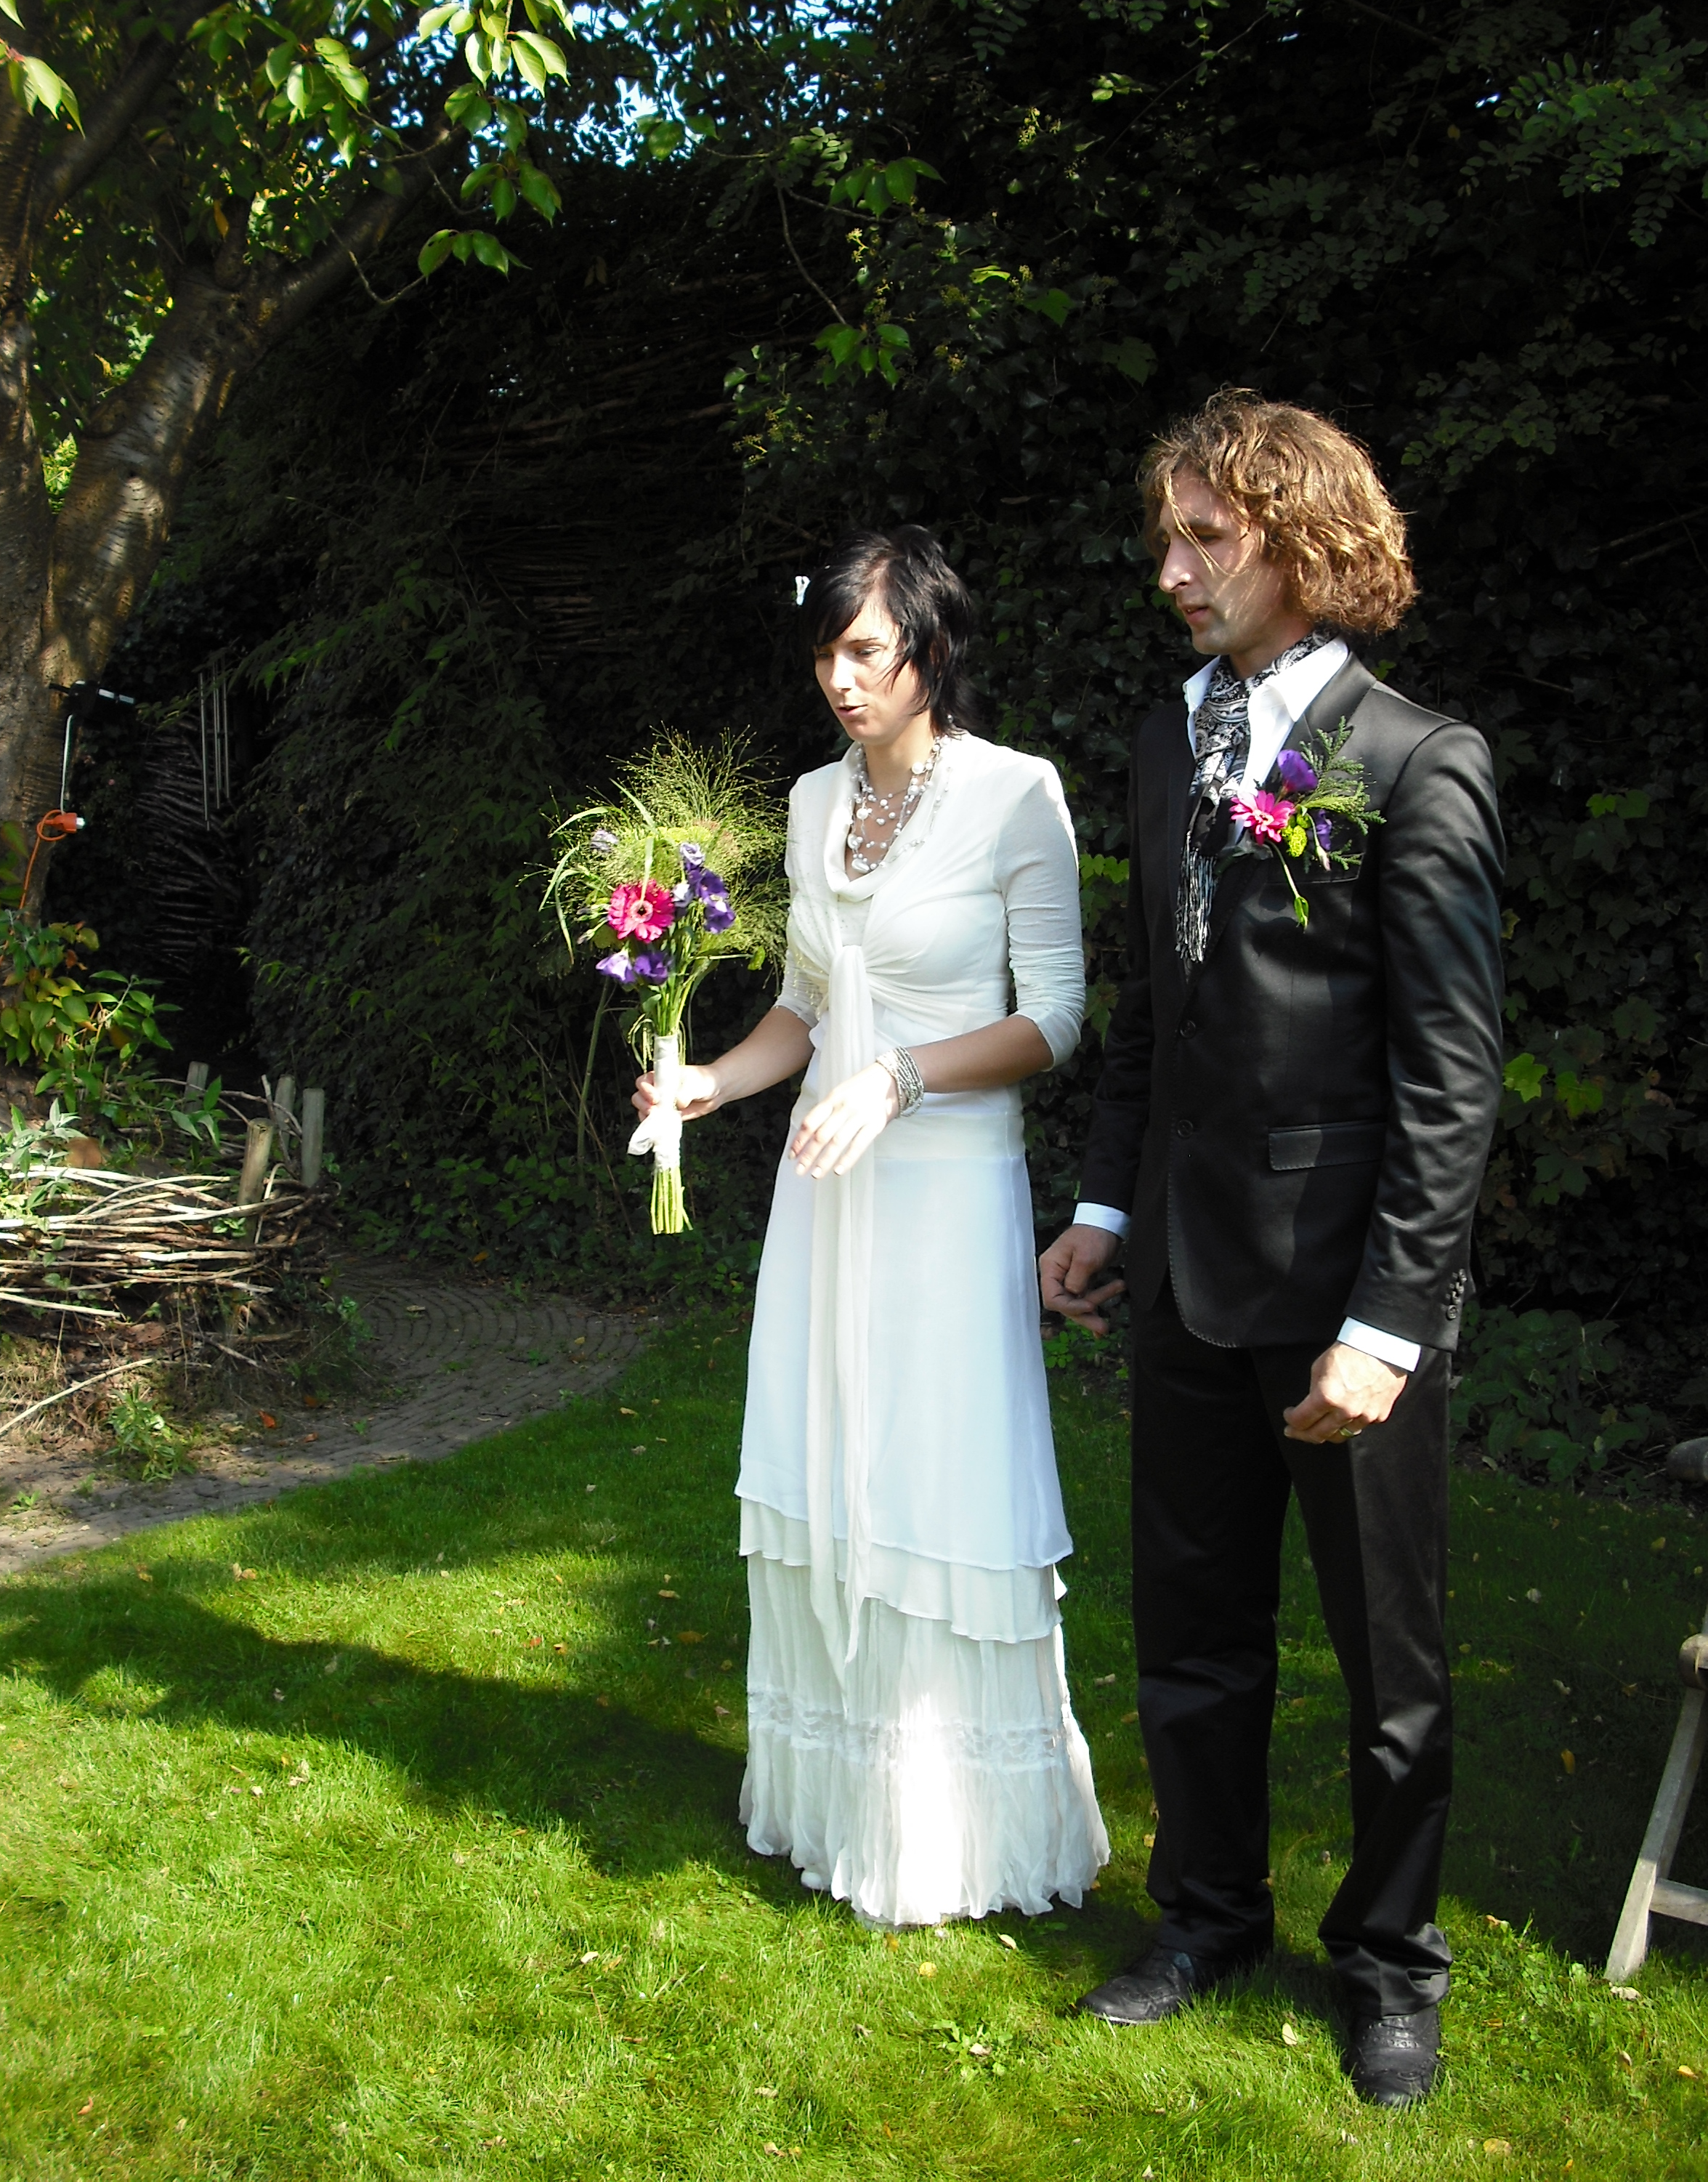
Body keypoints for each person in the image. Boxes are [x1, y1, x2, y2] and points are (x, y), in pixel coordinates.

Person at [1038, 390, 1503, 2107]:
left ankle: (1390, 1967)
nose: (1172, 571)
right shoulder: (1169, 742)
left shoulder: (1416, 761)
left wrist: (1388, 1325)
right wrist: (1103, 1212)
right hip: (1182, 1274)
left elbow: (1449, 1080)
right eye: (1166, 539)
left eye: (1205, 540)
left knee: (1392, 1675)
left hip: (1343, 1305)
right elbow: (1154, 1017)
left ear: (1302, 545)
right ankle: (1209, 1919)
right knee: (1193, 1636)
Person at [635, 525, 1108, 1927]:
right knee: (827, 1459)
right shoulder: (809, 802)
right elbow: (806, 1002)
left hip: (947, 1190)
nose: (840, 679)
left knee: (932, 1478)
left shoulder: (1018, 795)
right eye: (826, 654)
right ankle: (837, 1804)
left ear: (930, 651)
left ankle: (952, 1830)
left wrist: (902, 1076)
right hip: (825, 1187)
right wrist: (713, 1082)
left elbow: (1056, 1019)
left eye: (865, 651)